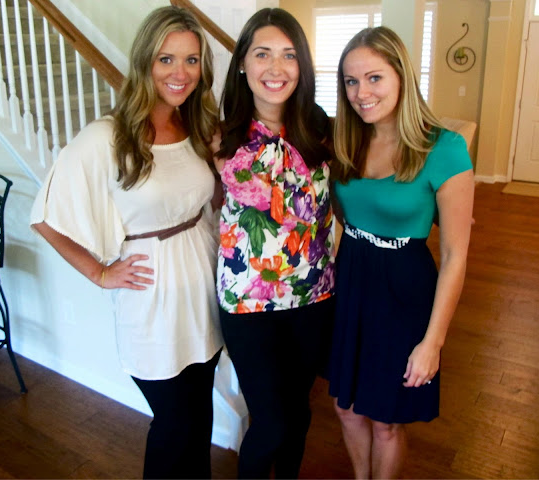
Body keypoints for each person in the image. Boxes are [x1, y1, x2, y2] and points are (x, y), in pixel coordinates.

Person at [30, 6, 223, 479]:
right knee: (173, 424)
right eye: (166, 59)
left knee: (199, 416)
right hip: (151, 300)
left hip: (203, 287)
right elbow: (46, 218)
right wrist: (99, 272)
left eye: (191, 60)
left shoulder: (196, 126)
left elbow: (209, 200)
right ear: (144, 63)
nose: (181, 73)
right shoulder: (107, 136)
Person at [327, 26, 474, 479]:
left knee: (386, 420)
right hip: (351, 278)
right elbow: (338, 210)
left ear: (401, 77)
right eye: (351, 81)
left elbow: (455, 255)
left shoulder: (444, 148)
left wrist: (433, 343)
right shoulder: (345, 140)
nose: (361, 93)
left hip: (403, 289)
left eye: (374, 78)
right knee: (346, 407)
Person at [214, 8, 336, 479]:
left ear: (302, 65)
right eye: (262, 53)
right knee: (269, 421)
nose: (276, 67)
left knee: (299, 412)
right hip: (248, 303)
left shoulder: (322, 130)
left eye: (289, 55)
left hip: (313, 295)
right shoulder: (218, 137)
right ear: (243, 64)